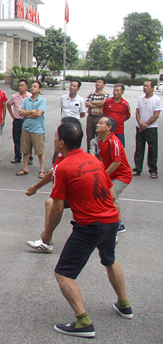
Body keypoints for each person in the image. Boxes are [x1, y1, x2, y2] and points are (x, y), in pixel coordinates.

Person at [46, 123, 131, 338]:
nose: (54, 140)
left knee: (63, 273)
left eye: (55, 137)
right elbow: (111, 195)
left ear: (62, 143)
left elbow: (56, 207)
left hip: (90, 225)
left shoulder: (63, 167)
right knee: (109, 260)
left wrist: (47, 233)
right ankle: (124, 305)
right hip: (111, 219)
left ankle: (83, 322)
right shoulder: (95, 160)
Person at [24, 117, 83, 253]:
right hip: (77, 194)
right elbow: (52, 173)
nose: (54, 137)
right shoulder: (66, 155)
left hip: (82, 196)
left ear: (63, 141)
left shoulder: (69, 161)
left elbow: (58, 205)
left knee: (54, 204)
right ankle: (46, 243)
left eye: (57, 134)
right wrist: (36, 187)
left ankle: (46, 238)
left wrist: (47, 231)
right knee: (50, 203)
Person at [96, 116, 132, 233]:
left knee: (110, 197)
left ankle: (116, 224)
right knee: (110, 197)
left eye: (101, 123)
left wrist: (104, 175)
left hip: (122, 176)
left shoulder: (114, 141)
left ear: (109, 127)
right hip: (111, 175)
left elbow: (117, 162)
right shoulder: (101, 141)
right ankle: (117, 223)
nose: (97, 125)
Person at [133, 80, 162, 178]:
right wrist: (140, 123)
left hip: (151, 128)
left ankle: (153, 170)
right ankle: (137, 168)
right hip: (140, 127)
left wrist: (145, 124)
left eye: (147, 86)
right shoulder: (140, 98)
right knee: (139, 149)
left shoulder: (157, 100)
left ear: (152, 88)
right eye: (144, 86)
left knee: (152, 149)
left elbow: (156, 115)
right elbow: (137, 111)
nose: (145, 88)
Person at [17, 81, 47, 178]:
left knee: (39, 151)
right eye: (32, 86)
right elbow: (20, 112)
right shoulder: (26, 100)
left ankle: (42, 170)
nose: (32, 88)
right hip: (26, 128)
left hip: (38, 130)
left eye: (35, 86)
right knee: (26, 150)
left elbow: (39, 114)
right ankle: (25, 168)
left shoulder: (42, 101)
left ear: (40, 89)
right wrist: (33, 111)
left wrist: (28, 113)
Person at [7, 79, 32, 165]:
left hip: (27, 120)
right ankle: (17, 156)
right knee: (17, 139)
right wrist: (12, 116)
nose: (20, 87)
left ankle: (29, 157)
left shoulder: (30, 96)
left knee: (28, 140)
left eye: (22, 86)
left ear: (27, 87)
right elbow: (8, 104)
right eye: (19, 86)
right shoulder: (14, 96)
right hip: (17, 120)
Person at [85, 78, 109, 152]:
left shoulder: (105, 94)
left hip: (100, 117)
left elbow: (104, 103)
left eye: (100, 82)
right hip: (91, 117)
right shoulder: (91, 94)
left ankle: (99, 155)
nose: (98, 83)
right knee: (89, 137)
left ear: (104, 85)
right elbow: (86, 103)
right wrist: (98, 104)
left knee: (99, 136)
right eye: (97, 82)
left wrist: (92, 103)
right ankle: (90, 153)